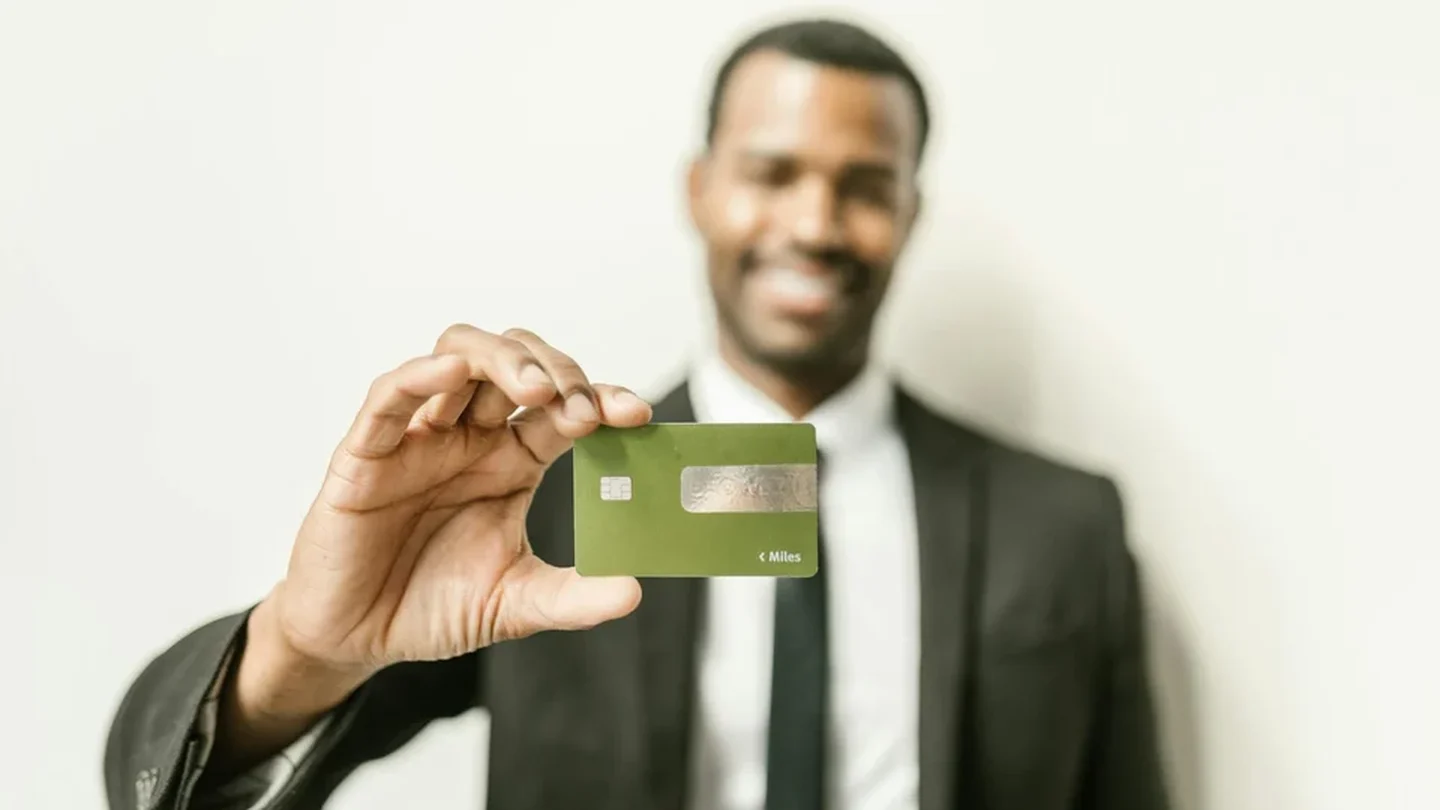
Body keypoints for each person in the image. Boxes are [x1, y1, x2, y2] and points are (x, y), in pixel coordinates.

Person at [103, 17, 1170, 810]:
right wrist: (305, 644)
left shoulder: (1063, 525)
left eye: (863, 184)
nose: (814, 222)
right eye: (772, 173)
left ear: (909, 211)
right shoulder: (532, 496)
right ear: (700, 189)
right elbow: (175, 783)